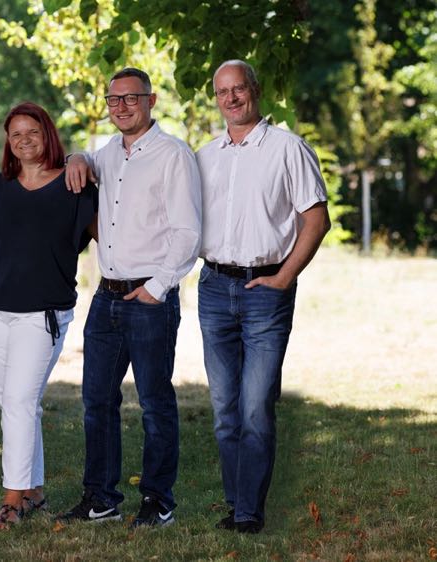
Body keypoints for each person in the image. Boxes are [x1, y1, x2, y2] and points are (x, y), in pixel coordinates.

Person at [60, 68, 202, 528]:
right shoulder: (108, 154)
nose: (121, 107)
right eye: (113, 99)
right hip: (105, 299)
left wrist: (157, 288)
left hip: (149, 299)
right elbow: (84, 160)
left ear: (151, 100)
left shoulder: (173, 155)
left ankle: (158, 500)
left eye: (130, 98)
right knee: (96, 401)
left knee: (155, 403)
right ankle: (101, 497)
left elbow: (188, 232)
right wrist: (77, 156)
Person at [196, 60, 330, 534]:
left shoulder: (288, 148)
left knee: (255, 407)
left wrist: (285, 277)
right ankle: (238, 504)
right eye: (222, 92)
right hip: (214, 289)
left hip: (266, 291)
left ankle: (249, 512)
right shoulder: (205, 156)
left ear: (255, 90)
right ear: (216, 98)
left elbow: (317, 219)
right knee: (224, 411)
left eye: (239, 89)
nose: (231, 98)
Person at [0, 102, 98, 529]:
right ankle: (35, 490)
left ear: (47, 134)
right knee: (14, 403)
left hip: (42, 312)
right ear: (7, 142)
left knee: (20, 403)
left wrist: (81, 158)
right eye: (15, 134)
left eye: (32, 131)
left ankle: (12, 500)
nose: (24, 140)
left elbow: (109, 237)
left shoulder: (74, 184)